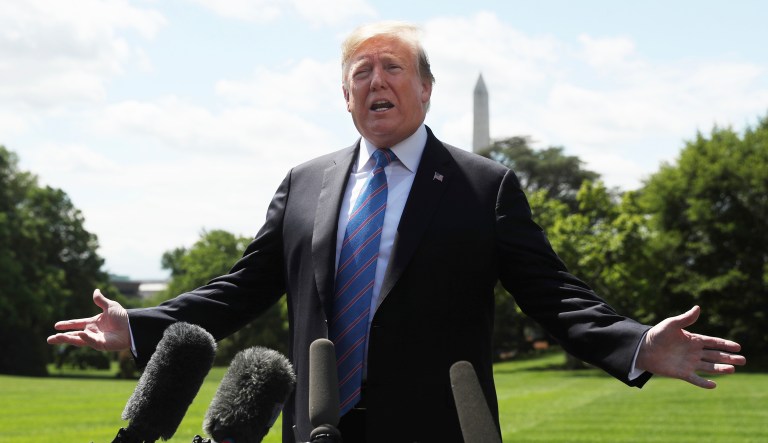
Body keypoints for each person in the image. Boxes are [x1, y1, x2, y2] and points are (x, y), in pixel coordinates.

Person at [48, 21, 745, 442]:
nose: (376, 80)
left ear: (426, 89)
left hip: (437, 429)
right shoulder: (304, 182)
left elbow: (552, 295)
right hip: (314, 427)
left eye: (393, 68)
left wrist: (636, 343)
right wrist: (139, 325)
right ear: (345, 96)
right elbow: (241, 287)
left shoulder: (483, 187)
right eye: (362, 72)